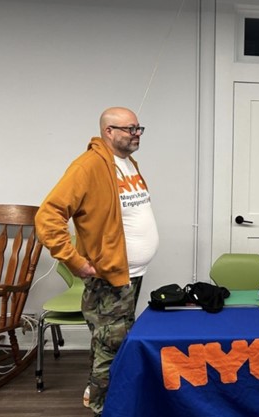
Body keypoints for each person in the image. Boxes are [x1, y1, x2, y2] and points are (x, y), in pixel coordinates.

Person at [35, 107, 159, 417]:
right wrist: (74, 261)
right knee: (112, 342)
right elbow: (48, 217)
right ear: (108, 131)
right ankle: (104, 406)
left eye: (139, 128)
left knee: (115, 337)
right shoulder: (88, 166)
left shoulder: (128, 163)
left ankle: (108, 393)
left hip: (133, 272)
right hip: (110, 275)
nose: (136, 134)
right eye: (129, 129)